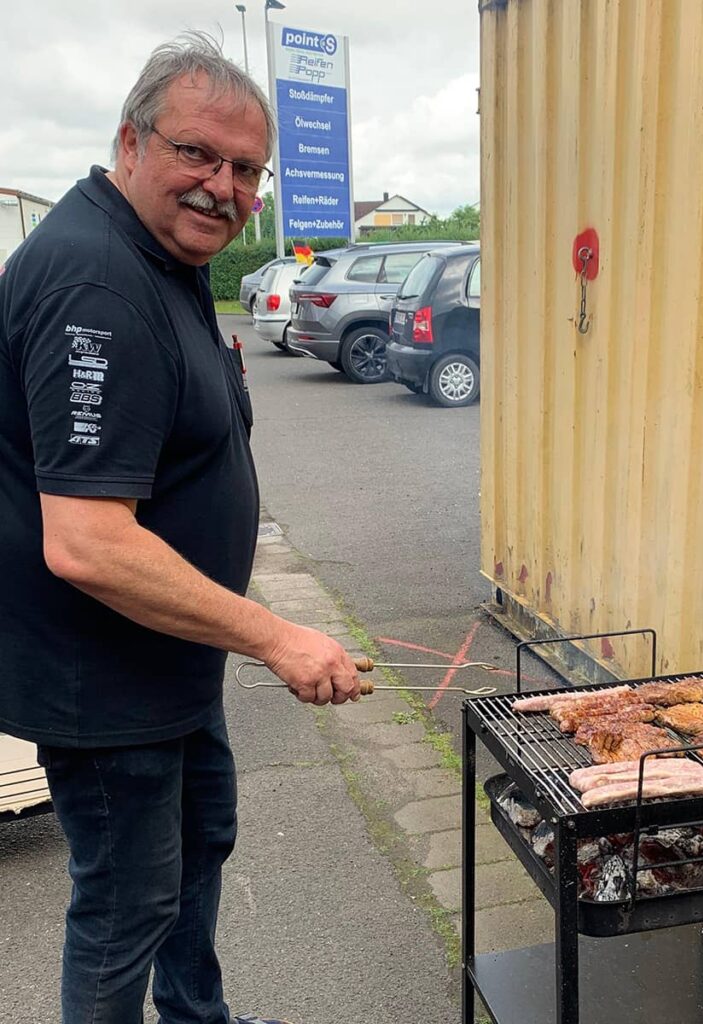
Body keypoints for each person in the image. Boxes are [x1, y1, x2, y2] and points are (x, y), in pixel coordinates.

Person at [0, 32, 360, 1024]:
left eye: (246, 169)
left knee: (197, 850)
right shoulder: (98, 285)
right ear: (130, 140)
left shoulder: (157, 253)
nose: (223, 185)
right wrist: (280, 634)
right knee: (126, 906)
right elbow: (86, 540)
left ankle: (199, 1020)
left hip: (170, 657)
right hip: (106, 678)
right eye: (196, 153)